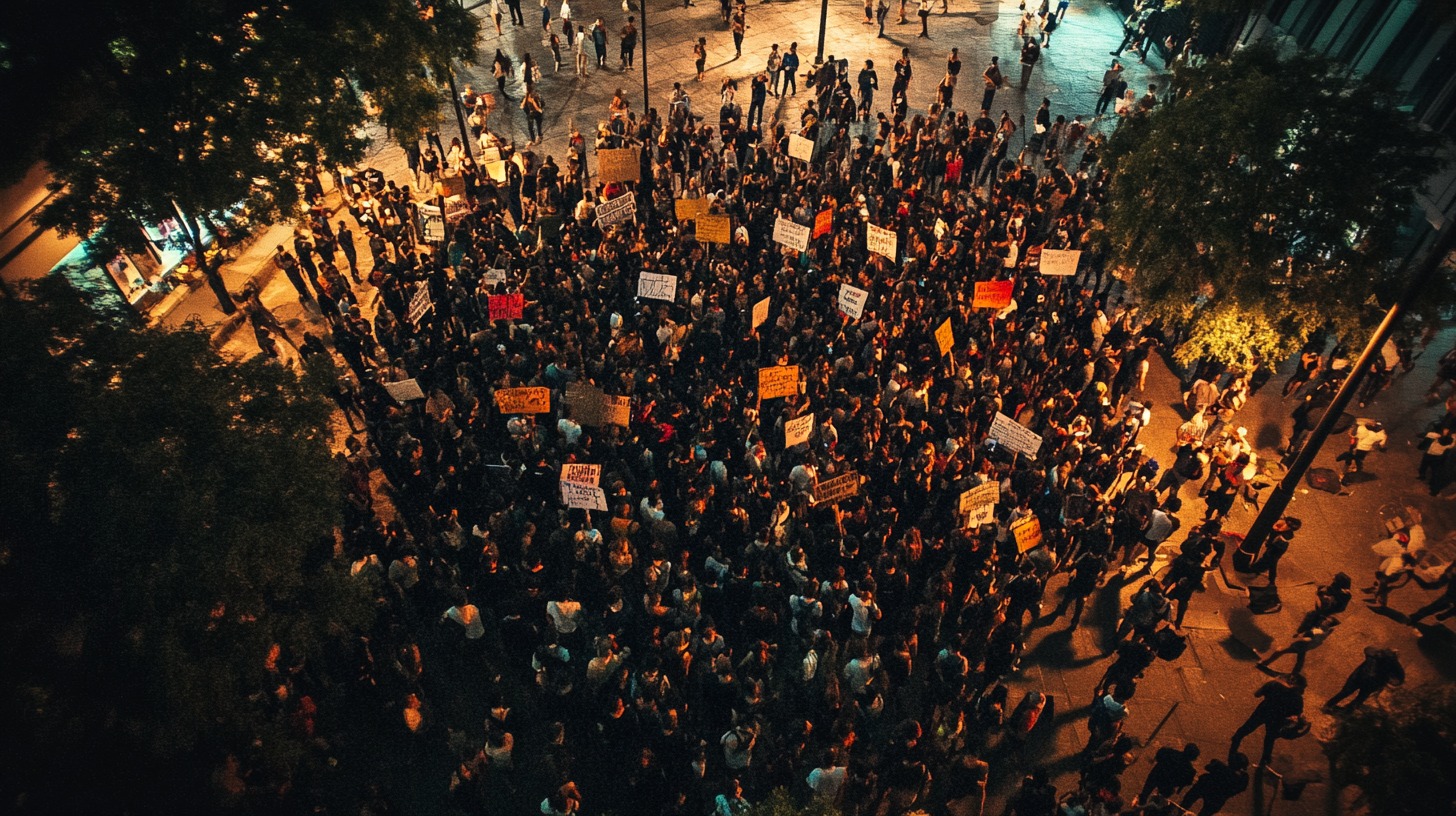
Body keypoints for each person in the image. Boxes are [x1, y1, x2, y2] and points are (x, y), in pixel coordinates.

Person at [1229, 673, 1305, 764]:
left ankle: (1235, 741)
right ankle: (1266, 758)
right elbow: (1296, 715)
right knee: (1270, 737)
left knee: (1247, 728)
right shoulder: (1298, 699)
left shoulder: (1274, 684)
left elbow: (1257, 694)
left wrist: (1270, 683)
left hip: (1263, 711)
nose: (1303, 691)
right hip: (1277, 719)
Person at [1324, 646, 1404, 711]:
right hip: (1367, 682)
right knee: (1357, 697)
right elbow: (1400, 678)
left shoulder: (1375, 656)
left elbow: (1368, 649)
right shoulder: (1392, 664)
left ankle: (1331, 706)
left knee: (1348, 693)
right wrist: (1387, 681)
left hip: (1360, 678)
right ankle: (1345, 710)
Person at [1181, 754, 1250, 816]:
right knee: (1205, 813)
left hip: (1205, 786)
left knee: (1187, 801)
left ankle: (1179, 811)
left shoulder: (1221, 768)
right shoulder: (1241, 779)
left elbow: (1208, 767)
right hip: (1218, 798)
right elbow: (1240, 788)